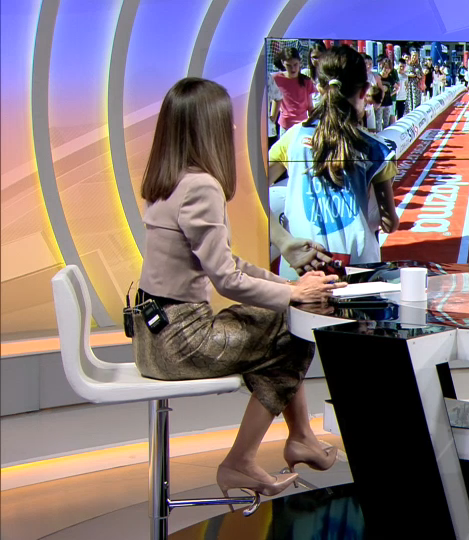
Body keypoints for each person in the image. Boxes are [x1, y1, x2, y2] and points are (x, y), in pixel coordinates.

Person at [134, 77, 346, 503]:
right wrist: (293, 296)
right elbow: (226, 279)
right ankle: (250, 456)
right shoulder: (201, 187)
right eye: (226, 121)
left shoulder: (167, 180)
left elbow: (228, 264)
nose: (233, 129)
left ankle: (299, 437)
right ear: (206, 127)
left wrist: (289, 285)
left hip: (153, 335)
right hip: (181, 341)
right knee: (291, 329)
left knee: (281, 324)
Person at [268, 45, 400, 279]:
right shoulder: (378, 149)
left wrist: (282, 241)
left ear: (319, 87)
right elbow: (390, 222)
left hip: (301, 267)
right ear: (365, 91)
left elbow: (251, 191)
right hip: (359, 269)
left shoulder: (293, 137)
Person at [271, 48, 316, 135]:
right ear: (283, 63)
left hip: (302, 125)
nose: (293, 69)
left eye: (295, 64)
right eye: (289, 65)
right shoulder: (276, 79)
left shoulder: (306, 81)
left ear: (300, 62)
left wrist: (314, 123)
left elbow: (310, 107)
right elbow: (275, 102)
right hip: (285, 126)